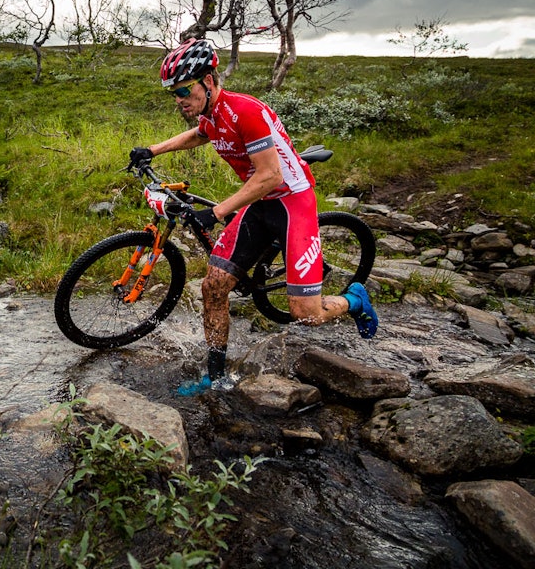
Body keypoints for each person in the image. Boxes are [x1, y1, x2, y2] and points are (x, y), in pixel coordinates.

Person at [128, 38, 378, 395]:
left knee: (306, 314)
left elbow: (271, 176)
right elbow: (201, 134)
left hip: (292, 202)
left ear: (209, 81)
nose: (179, 98)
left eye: (185, 89)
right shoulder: (211, 114)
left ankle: (354, 300)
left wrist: (216, 212)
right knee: (214, 287)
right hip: (260, 202)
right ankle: (214, 377)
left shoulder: (246, 111)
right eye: (174, 93)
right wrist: (152, 149)